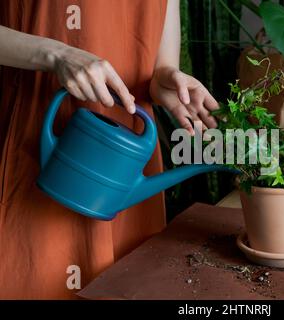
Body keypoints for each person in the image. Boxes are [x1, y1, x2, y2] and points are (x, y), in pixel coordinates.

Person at [0, 0, 218, 299]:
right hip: (40, 153)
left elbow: (158, 65)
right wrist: (57, 54)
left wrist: (164, 79)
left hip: (128, 166)